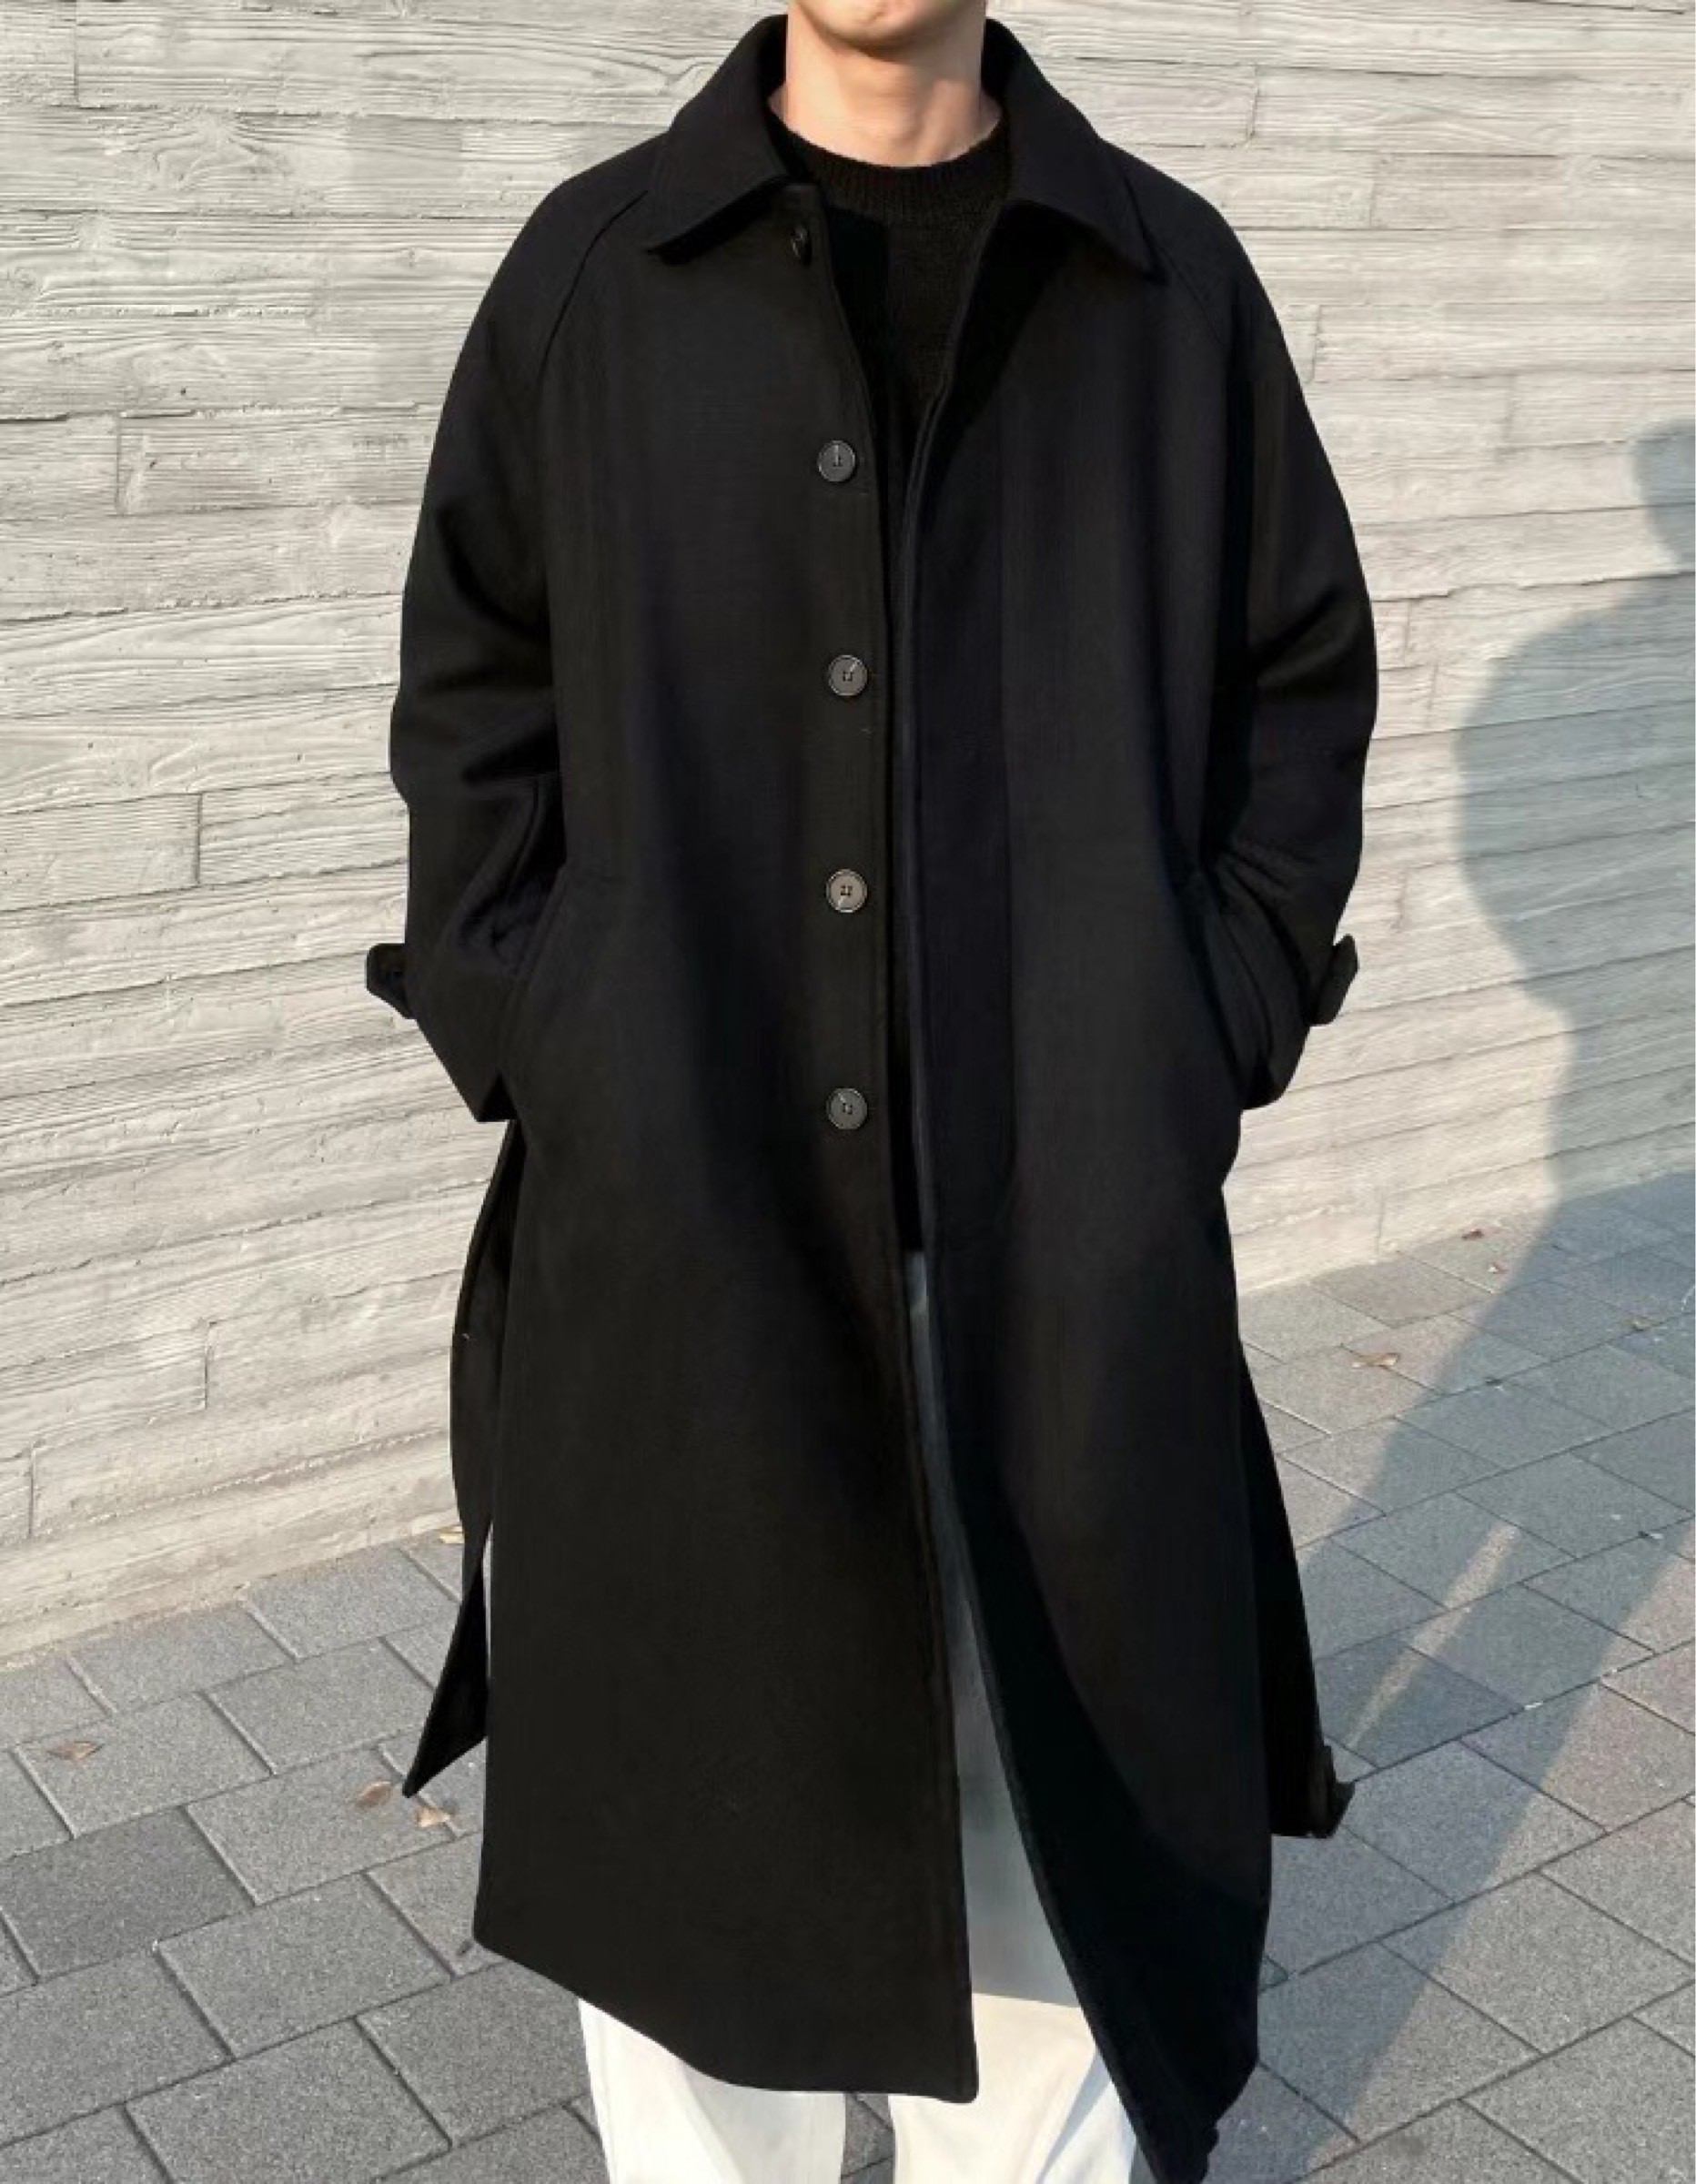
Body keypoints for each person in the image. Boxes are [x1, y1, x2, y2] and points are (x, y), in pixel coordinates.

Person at [365, 5, 1378, 2180]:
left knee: (1059, 1902)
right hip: (685, 1252)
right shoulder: (598, 273)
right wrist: (545, 1019)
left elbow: (1296, 688)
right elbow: (473, 692)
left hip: (1060, 1265)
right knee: (687, 1924)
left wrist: (1201, 1018)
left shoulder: (1162, 282)